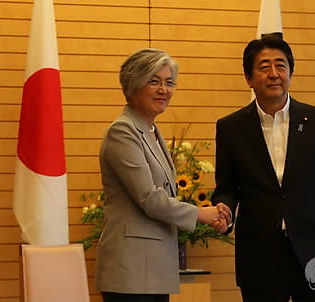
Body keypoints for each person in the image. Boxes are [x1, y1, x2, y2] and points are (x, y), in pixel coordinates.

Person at [211, 35, 315, 302]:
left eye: (280, 65)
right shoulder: (231, 127)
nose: (274, 74)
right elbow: (227, 187)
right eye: (264, 66)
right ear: (248, 78)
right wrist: (223, 211)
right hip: (259, 254)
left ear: (290, 72)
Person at [95, 48, 231, 302]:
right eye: (154, 81)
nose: (164, 90)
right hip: (131, 272)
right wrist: (202, 213)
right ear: (133, 84)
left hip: (152, 270)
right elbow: (150, 198)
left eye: (169, 83)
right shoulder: (123, 132)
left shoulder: (151, 131)